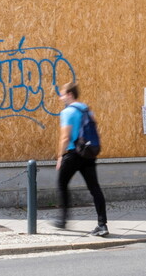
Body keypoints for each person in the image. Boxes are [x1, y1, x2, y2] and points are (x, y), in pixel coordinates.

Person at [54, 82, 108, 236]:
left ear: (70, 94)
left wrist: (59, 156)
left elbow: (65, 137)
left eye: (63, 94)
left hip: (72, 154)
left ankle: (63, 220)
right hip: (88, 153)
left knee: (62, 184)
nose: (61, 97)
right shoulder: (86, 109)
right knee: (94, 188)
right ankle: (102, 225)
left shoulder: (67, 112)